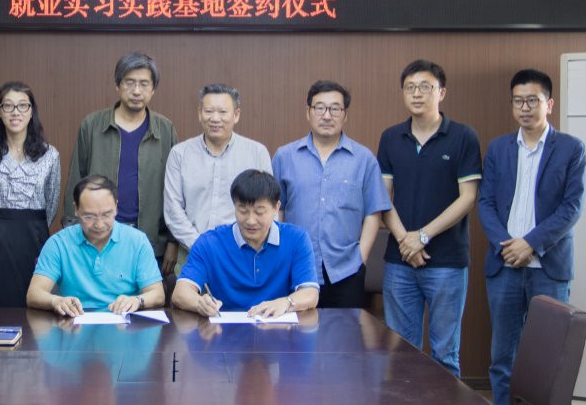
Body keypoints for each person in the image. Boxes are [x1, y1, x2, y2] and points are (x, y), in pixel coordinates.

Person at [479, 68, 586, 405]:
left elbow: (572, 207)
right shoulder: (499, 148)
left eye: (532, 100)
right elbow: (485, 203)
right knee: (502, 358)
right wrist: (506, 246)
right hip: (504, 266)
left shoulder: (571, 148)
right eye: (518, 101)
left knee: (550, 359)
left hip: (548, 268)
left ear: (549, 104)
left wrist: (531, 243)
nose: (524, 108)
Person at [377, 60, 482, 377]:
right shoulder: (391, 137)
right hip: (399, 261)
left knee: (445, 354)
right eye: (410, 87)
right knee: (399, 353)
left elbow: (468, 197)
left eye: (425, 87)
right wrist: (405, 240)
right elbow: (382, 198)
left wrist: (422, 236)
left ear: (442, 92)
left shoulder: (463, 137)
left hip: (447, 261)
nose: (417, 93)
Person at [272, 80, 391, 308]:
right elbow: (277, 209)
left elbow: (373, 212)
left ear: (345, 115)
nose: (327, 116)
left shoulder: (363, 159)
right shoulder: (285, 157)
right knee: (297, 330)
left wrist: (361, 258)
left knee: (345, 330)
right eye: (320, 108)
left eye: (335, 109)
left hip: (346, 270)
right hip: (296, 266)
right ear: (308, 112)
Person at [63, 52, 179, 276]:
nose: (136, 91)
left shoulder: (165, 129)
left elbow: (175, 190)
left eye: (144, 84)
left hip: (150, 241)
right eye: (129, 82)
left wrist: (173, 241)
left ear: (153, 89)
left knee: (146, 296)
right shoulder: (92, 125)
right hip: (97, 236)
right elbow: (76, 181)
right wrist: (72, 232)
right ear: (117, 85)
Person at [171, 169, 319, 317]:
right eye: (243, 211)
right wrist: (199, 303)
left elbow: (310, 293)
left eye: (259, 212)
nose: (250, 221)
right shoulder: (209, 243)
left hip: (277, 325)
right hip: (225, 328)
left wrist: (287, 302)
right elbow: (180, 293)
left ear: (276, 207)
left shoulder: (296, 239)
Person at [0, 81, 60, 314]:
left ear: (32, 111)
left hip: (33, 237)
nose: (15, 112)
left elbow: (51, 203)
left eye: (22, 106)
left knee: (34, 308)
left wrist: (33, 227)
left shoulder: (50, 155)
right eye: (8, 106)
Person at [164, 84, 272, 272]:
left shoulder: (257, 153)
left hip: (243, 256)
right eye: (208, 111)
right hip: (192, 253)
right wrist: (202, 246)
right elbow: (173, 210)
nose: (215, 118)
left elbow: (267, 206)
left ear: (236, 115)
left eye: (222, 112)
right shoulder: (180, 154)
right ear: (200, 113)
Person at [27, 175, 165, 316]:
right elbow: (34, 294)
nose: (99, 225)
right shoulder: (58, 243)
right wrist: (56, 301)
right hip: (74, 323)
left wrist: (137, 300)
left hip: (123, 322)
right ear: (76, 209)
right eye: (89, 216)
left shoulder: (137, 241)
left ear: (116, 207)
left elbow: (158, 294)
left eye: (106, 215)